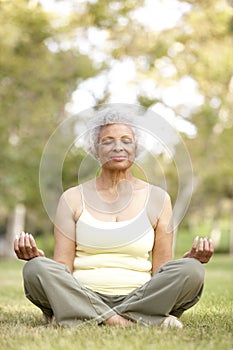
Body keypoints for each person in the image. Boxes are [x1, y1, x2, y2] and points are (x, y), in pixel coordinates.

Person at [14, 109, 214, 328]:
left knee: (192, 270)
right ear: (95, 151)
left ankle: (80, 316)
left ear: (136, 149)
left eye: (126, 141)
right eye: (107, 141)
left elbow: (160, 270)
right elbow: (64, 268)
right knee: (36, 268)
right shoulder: (71, 198)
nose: (118, 147)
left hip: (140, 296)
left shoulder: (158, 198)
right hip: (83, 293)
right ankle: (128, 320)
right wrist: (41, 260)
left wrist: (184, 263)